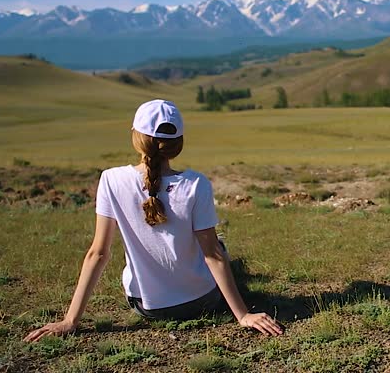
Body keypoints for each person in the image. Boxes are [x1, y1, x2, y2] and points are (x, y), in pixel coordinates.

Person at [24, 99, 282, 342]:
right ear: (177, 143)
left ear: (137, 138)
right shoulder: (196, 184)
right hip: (200, 300)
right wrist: (243, 315)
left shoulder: (111, 180)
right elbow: (212, 256)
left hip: (145, 306)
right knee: (221, 249)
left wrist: (70, 320)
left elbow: (98, 254)